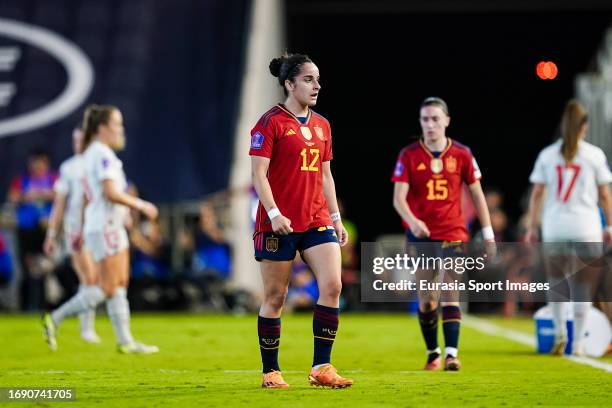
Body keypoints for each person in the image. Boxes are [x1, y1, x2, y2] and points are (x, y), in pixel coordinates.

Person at [249, 52, 353, 389]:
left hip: (316, 219)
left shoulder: (323, 125)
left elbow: (326, 176)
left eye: (318, 79)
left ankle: (322, 367)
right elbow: (259, 175)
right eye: (309, 79)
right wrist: (275, 213)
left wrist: (335, 217)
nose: (316, 85)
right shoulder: (270, 123)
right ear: (289, 83)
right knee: (276, 297)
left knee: (333, 286)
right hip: (278, 224)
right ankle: (271, 372)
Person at [43, 105, 159, 354]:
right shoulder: (101, 154)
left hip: (104, 223)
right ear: (103, 127)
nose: (121, 129)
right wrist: (140, 205)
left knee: (118, 283)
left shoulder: (91, 155)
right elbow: (109, 192)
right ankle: (56, 317)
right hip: (105, 225)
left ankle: (125, 340)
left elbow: (89, 197)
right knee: (107, 286)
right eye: (117, 124)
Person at [391, 97, 495, 371]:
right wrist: (412, 221)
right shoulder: (409, 155)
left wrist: (488, 234)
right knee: (427, 299)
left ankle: (451, 354)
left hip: (453, 232)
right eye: (425, 119)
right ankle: (433, 352)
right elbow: (398, 199)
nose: (430, 124)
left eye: (435, 119)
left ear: (447, 120)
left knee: (450, 289)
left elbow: (477, 195)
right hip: (421, 236)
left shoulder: (462, 154)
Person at [525, 99, 612, 356]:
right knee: (582, 287)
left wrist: (532, 225)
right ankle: (578, 343)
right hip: (586, 226)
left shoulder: (548, 155)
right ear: (584, 126)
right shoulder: (594, 155)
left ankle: (561, 335)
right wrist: (609, 224)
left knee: (558, 283)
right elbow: (605, 195)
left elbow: (537, 193)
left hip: (556, 227)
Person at [43, 127, 100, 343]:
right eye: (75, 140)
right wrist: (51, 234)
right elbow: (59, 204)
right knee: (90, 279)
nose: (79, 144)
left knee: (95, 281)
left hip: (98, 229)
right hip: (76, 231)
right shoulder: (69, 168)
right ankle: (81, 327)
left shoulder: (99, 163)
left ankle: (81, 326)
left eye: (82, 140)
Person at [8, 149, 57, 310]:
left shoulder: (53, 178)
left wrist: (42, 195)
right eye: (34, 162)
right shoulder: (22, 181)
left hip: (46, 231)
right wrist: (25, 196)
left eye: (40, 162)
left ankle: (46, 305)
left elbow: (61, 194)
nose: (37, 166)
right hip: (26, 232)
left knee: (46, 269)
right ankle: (26, 307)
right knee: (26, 270)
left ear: (46, 163)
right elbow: (13, 197)